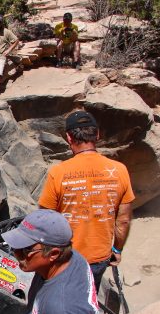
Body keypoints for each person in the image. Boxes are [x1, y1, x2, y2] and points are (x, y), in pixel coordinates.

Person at [39, 111, 134, 292]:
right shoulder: (119, 170)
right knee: (88, 298)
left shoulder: (58, 173)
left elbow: (44, 219)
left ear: (68, 137)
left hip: (65, 257)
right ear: (97, 134)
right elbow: (123, 220)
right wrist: (117, 249)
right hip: (99, 257)